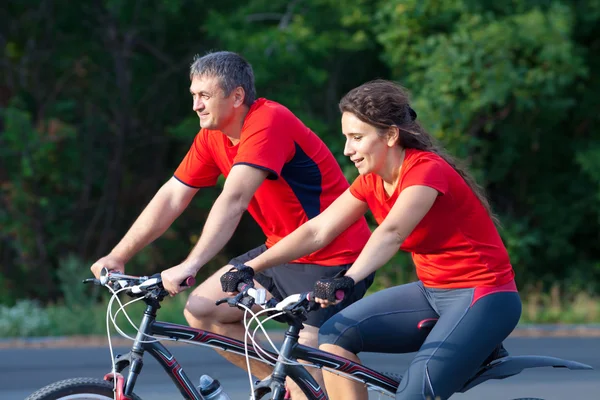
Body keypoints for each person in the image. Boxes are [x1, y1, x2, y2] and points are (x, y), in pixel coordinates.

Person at [90, 51, 374, 398]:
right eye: (193, 95)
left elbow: (234, 198)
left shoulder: (269, 122)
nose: (196, 105)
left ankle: (303, 387)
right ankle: (282, 384)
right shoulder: (213, 135)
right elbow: (173, 197)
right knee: (201, 310)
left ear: (236, 96)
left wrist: (191, 264)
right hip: (280, 251)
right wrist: (119, 255)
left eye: (204, 95)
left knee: (314, 347)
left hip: (334, 255)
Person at [233, 79, 522, 400]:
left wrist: (348, 279)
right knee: (334, 334)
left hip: (485, 296)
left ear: (391, 135)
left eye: (356, 138)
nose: (347, 150)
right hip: (432, 292)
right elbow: (318, 230)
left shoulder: (426, 171)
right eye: (346, 138)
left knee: (415, 392)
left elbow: (392, 232)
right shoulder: (371, 180)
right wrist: (251, 266)